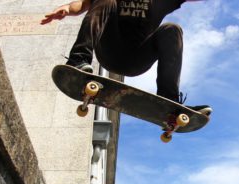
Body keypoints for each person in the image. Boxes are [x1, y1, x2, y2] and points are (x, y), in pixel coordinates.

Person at [41, 0, 211, 115]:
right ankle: (78, 59)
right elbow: (83, 4)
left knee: (172, 29)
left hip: (138, 59)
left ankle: (169, 99)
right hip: (110, 52)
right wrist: (68, 9)